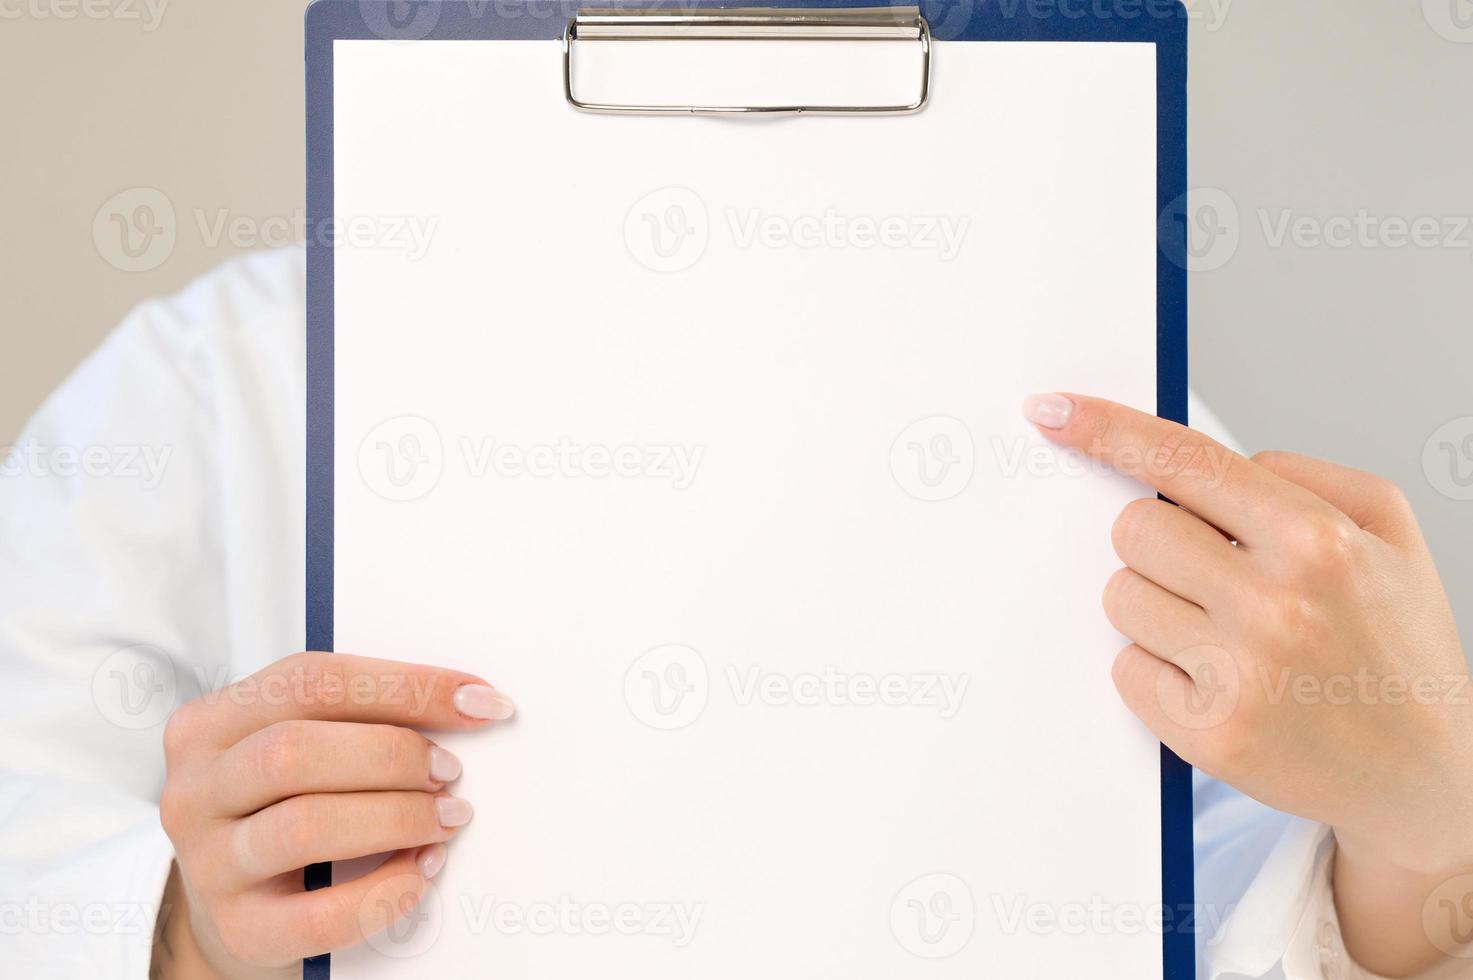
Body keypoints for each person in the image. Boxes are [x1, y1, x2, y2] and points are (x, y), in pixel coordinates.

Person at [0, 247, 1467, 980]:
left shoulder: (1095, 414)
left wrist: (1427, 829)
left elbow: (1234, 925)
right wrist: (182, 936)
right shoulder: (211, 389)